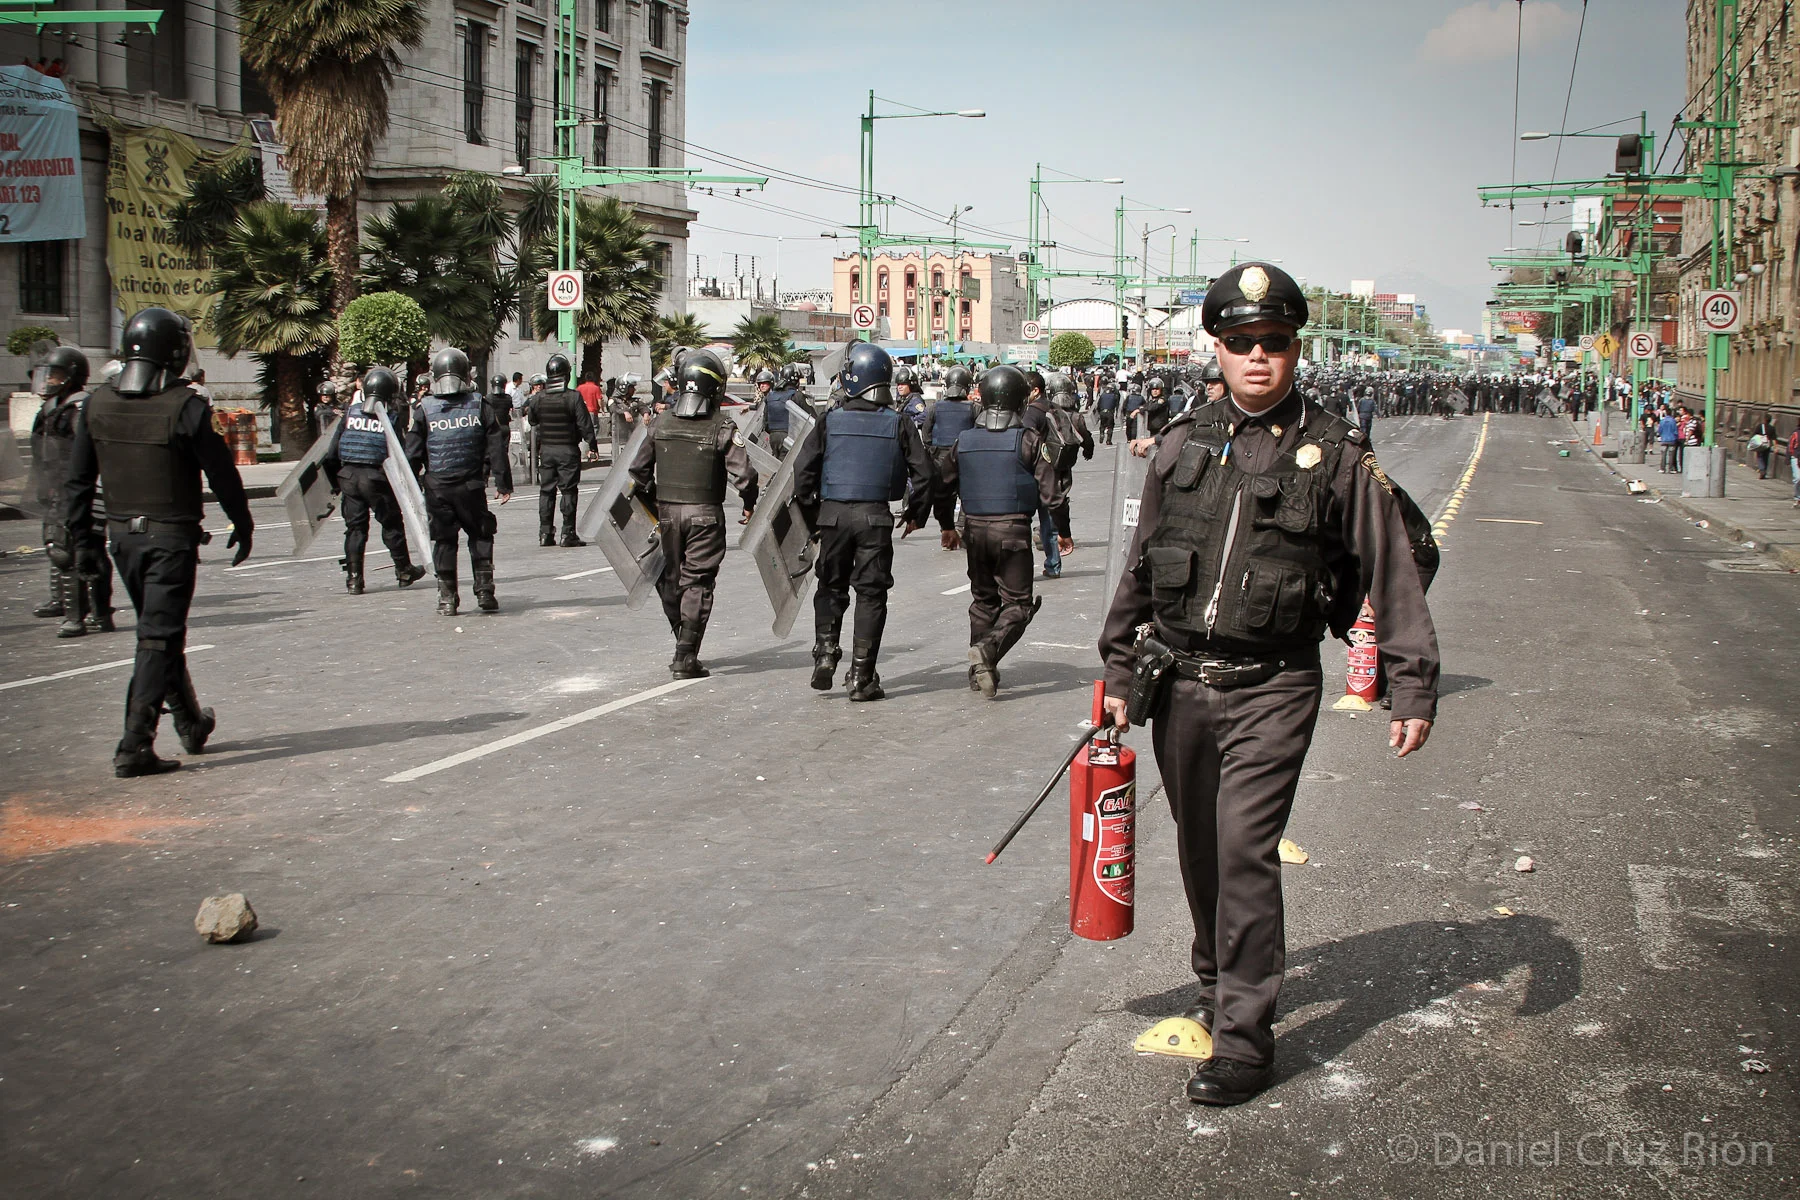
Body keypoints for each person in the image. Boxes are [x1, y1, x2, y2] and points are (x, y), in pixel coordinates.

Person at [1098, 263, 1439, 1107]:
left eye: (1275, 342)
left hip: (1273, 684)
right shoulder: (1181, 441)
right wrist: (1114, 666)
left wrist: (1411, 680)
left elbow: (1394, 566)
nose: (1258, 356)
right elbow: (1140, 568)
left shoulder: (1335, 453)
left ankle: (1246, 1041)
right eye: (1241, 341)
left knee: (1246, 849)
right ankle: (1217, 984)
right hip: (1177, 680)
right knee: (1199, 849)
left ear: (1297, 348)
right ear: (1215, 347)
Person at [62, 307, 254, 777]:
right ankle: (135, 743)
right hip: (170, 540)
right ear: (174, 351)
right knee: (157, 637)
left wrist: (78, 539)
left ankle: (189, 722)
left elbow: (77, 482)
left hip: (121, 539)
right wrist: (240, 522)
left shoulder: (96, 403)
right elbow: (222, 473)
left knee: (159, 633)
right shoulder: (185, 407)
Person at [792, 342, 932, 701]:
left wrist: (813, 518)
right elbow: (925, 474)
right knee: (871, 595)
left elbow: (802, 471)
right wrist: (916, 513)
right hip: (875, 517)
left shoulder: (830, 419)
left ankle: (825, 652)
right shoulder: (899, 421)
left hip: (833, 515)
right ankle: (861, 676)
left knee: (830, 588)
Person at [626, 349, 758, 679]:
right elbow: (745, 476)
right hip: (705, 516)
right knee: (697, 581)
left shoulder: (659, 423)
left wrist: (652, 504)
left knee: (670, 577)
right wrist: (749, 503)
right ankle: (685, 654)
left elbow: (638, 472)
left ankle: (683, 640)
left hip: (667, 515)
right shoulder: (723, 426)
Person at [939, 364, 1059, 698]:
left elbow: (942, 486)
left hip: (975, 532)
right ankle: (988, 652)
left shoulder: (963, 441)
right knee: (1019, 605)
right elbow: (1052, 495)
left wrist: (947, 525)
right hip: (1013, 532)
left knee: (983, 602)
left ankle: (979, 671)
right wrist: (1061, 533)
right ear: (1021, 401)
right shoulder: (1029, 441)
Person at [405, 347, 513, 616]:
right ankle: (485, 591)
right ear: (466, 374)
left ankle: (447, 598)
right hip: (471, 486)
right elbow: (496, 446)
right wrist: (503, 484)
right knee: (480, 534)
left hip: (437, 488)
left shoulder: (424, 409)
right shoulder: (479, 404)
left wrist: (412, 485)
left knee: (444, 541)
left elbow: (412, 453)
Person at [31, 346, 116, 637]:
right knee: (58, 547)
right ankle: (65, 603)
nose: (49, 381)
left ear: (71, 376)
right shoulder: (51, 408)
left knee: (83, 549)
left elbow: (91, 453)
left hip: (82, 490)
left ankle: (93, 613)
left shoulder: (80, 408)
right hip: (57, 487)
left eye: (55, 375)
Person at [323, 366, 428, 594]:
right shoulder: (389, 418)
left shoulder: (350, 414)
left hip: (349, 477)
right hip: (376, 479)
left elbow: (331, 455)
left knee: (355, 529)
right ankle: (403, 570)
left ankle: (354, 580)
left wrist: (335, 483)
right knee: (391, 524)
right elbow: (400, 455)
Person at [528, 353, 596, 547]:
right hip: (567, 449)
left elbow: (532, 420)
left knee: (546, 491)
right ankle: (568, 534)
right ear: (566, 374)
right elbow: (585, 424)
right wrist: (592, 445)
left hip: (547, 450)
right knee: (568, 491)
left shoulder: (538, 398)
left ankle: (545, 533)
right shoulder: (573, 397)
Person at [921, 365, 977, 550]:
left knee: (944, 495)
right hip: (964, 456)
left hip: (940, 457)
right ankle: (959, 529)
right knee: (967, 495)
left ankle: (948, 528)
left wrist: (932, 452)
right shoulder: (974, 408)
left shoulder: (935, 408)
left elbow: (926, 433)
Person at [1095, 378, 1120, 445]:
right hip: (1110, 413)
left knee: (1102, 425)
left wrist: (1099, 413)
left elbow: (1098, 405)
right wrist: (1116, 413)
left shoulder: (1102, 395)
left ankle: (1102, 433)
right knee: (1110, 426)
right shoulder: (1115, 396)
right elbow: (1116, 405)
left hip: (1102, 412)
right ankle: (1108, 440)